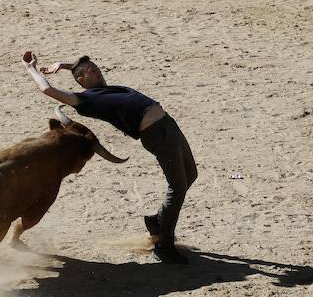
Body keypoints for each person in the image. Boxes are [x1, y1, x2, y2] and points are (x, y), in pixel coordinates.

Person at [24, 54, 198, 264]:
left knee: (191, 174)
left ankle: (156, 221)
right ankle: (164, 243)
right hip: (156, 133)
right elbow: (48, 90)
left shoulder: (105, 90)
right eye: (91, 70)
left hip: (168, 125)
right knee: (177, 186)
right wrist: (31, 69)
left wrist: (63, 65)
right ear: (82, 80)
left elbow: (80, 69)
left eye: (96, 66)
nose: (96, 69)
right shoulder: (87, 100)